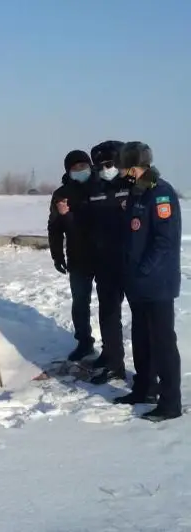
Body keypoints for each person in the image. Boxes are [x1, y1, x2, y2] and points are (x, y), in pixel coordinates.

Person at [114, 141, 182, 422]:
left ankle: (170, 403)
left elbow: (165, 241)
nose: (120, 173)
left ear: (135, 168)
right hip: (138, 283)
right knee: (141, 338)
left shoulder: (161, 193)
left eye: (123, 168)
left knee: (163, 341)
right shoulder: (136, 192)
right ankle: (145, 388)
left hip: (157, 282)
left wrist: (143, 269)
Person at [48, 149, 107, 363]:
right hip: (77, 257)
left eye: (83, 166)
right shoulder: (61, 194)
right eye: (75, 168)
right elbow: (54, 228)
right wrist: (57, 255)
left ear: (90, 166)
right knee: (80, 302)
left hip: (103, 257)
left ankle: (110, 347)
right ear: (68, 170)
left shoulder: (102, 187)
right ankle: (84, 342)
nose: (80, 170)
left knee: (108, 304)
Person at [85, 140, 132, 384]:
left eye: (110, 164)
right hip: (104, 262)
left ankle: (144, 371)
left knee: (140, 318)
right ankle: (113, 360)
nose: (106, 168)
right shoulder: (94, 187)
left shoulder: (133, 184)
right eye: (101, 165)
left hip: (131, 261)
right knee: (108, 313)